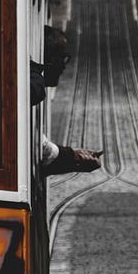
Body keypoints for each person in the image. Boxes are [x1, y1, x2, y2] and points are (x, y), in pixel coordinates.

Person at [34, 25, 103, 175]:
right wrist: (74, 157)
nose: (63, 67)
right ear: (49, 57)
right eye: (61, 57)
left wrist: (74, 156)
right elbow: (40, 150)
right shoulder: (32, 88)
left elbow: (42, 148)